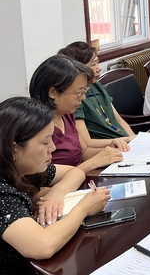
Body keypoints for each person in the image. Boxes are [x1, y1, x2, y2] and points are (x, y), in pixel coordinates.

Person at [0, 97, 111, 269]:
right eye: (45, 142)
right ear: (14, 149)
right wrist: (83, 208)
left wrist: (55, 194)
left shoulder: (24, 168)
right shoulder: (3, 191)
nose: (52, 147)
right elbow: (43, 246)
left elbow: (75, 172)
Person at [29, 55, 125, 174]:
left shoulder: (66, 115)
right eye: (78, 93)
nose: (83, 98)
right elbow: (46, 177)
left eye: (84, 91)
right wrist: (94, 162)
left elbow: (83, 152)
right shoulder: (37, 127)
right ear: (53, 92)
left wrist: (110, 150)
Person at [58, 42, 135, 149]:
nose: (99, 68)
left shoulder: (96, 85)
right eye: (93, 64)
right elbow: (87, 143)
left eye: (98, 62)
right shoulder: (75, 99)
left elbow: (118, 120)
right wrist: (126, 140)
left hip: (125, 144)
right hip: (110, 148)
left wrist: (134, 139)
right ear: (79, 68)